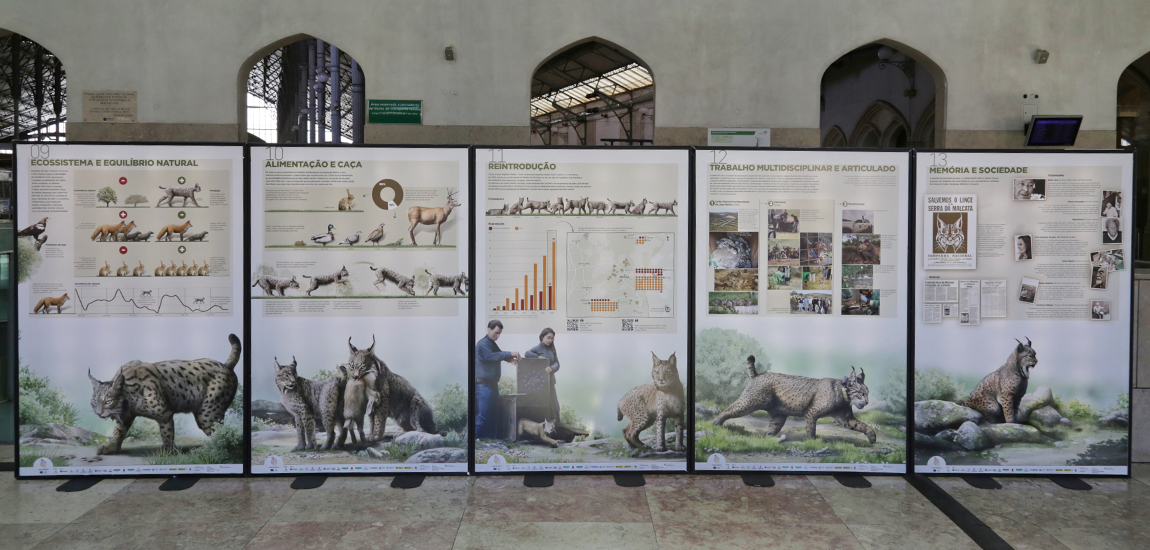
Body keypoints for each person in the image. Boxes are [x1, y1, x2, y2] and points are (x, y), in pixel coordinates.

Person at [474, 320, 519, 439]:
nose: (498, 336)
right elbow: (490, 356)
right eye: (496, 333)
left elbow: (498, 354)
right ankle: (475, 443)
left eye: (499, 334)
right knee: (482, 416)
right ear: (488, 329)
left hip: (492, 385)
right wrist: (511, 353)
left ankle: (489, 442)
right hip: (483, 385)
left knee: (492, 416)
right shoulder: (482, 344)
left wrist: (510, 360)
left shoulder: (491, 343)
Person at [524, 327, 561, 421]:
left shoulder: (552, 349)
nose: (550, 340)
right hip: (540, 383)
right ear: (542, 337)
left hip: (550, 382)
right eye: (548, 337)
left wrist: (551, 368)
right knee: (544, 406)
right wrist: (538, 357)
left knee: (555, 407)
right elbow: (526, 353)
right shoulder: (538, 348)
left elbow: (557, 364)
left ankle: (557, 427)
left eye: (552, 338)